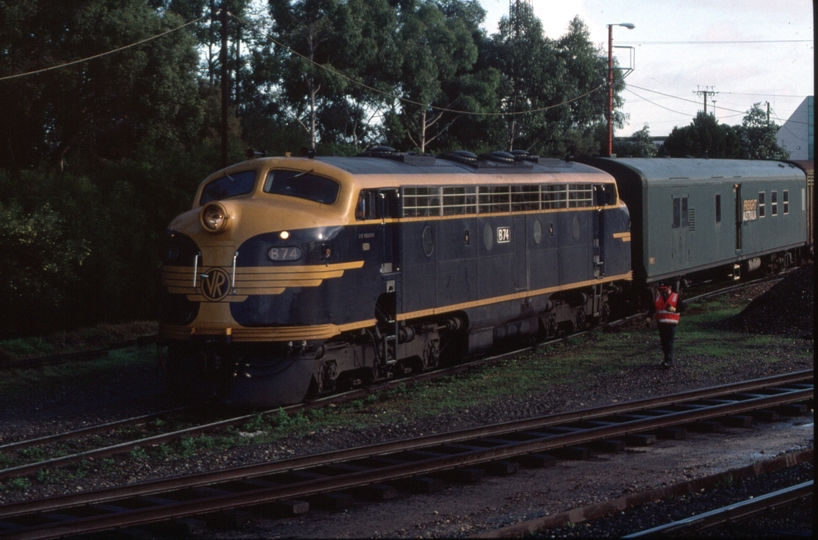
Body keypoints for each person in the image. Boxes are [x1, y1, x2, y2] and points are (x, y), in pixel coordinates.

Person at [654, 284, 681, 369]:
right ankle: (666, 359)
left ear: (670, 288)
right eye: (661, 290)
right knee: (664, 343)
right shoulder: (658, 297)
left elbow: (683, 308)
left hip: (671, 324)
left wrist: (674, 309)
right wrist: (648, 316)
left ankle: (668, 361)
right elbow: (653, 307)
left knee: (669, 343)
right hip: (661, 324)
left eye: (665, 290)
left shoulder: (676, 297)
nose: (663, 292)